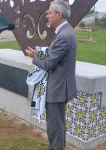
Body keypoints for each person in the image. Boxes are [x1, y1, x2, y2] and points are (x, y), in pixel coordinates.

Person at [26, 0, 77, 149]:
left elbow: (49, 64)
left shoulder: (64, 35)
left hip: (58, 89)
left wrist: (34, 57)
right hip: (58, 87)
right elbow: (53, 60)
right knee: (57, 126)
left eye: (49, 12)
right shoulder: (64, 31)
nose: (46, 16)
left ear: (59, 14)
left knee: (56, 127)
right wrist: (38, 55)